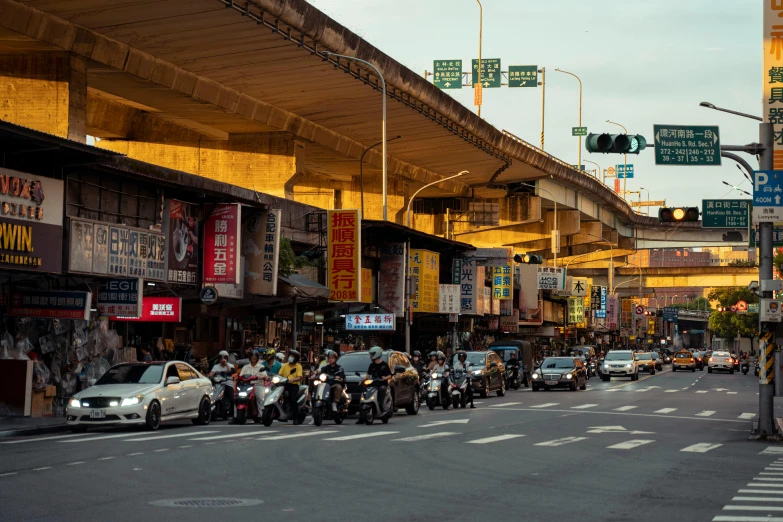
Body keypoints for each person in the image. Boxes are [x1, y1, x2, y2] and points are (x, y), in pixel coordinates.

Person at [358, 346, 392, 423]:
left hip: (381, 384)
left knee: (382, 389)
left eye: (371, 354)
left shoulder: (384, 365)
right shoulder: (371, 365)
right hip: (373, 384)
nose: (370, 356)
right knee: (363, 393)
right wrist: (363, 380)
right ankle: (361, 417)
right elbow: (368, 375)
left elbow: (390, 375)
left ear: (376, 354)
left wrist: (384, 378)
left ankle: (381, 406)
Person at [279, 350, 304, 424]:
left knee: (293, 400)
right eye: (290, 356)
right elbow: (280, 374)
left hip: (294, 385)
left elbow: (300, 377)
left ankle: (295, 417)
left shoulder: (298, 366)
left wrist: (293, 379)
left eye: (292, 356)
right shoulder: (284, 365)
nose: (290, 357)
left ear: (296, 358)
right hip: (284, 384)